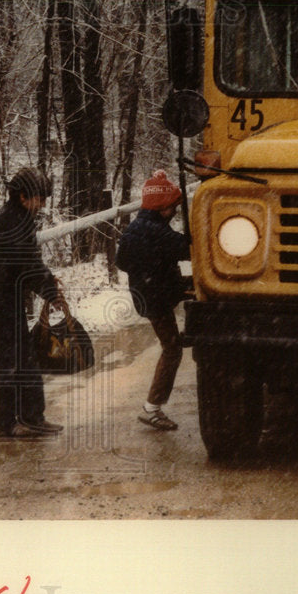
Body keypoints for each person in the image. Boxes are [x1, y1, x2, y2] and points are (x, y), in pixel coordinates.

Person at [0, 167, 67, 439]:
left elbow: (27, 264)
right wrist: (49, 289)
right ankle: (10, 423)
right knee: (10, 359)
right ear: (24, 197)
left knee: (19, 357)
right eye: (40, 199)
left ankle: (26, 417)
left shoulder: (16, 216)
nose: (43, 205)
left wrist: (46, 284)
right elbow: (28, 263)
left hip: (1, 293)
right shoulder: (15, 221)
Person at [116, 170, 190, 431]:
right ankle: (152, 408)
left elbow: (121, 261)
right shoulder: (158, 232)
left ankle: (153, 406)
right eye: (172, 206)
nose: (175, 211)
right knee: (172, 349)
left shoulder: (135, 228)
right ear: (162, 206)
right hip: (156, 298)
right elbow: (188, 248)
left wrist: (148, 271)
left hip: (147, 295)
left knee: (173, 344)